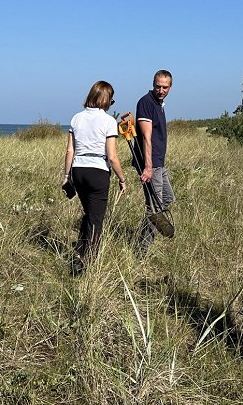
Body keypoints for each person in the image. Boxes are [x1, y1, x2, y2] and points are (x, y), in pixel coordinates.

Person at [63, 80, 127, 275]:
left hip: (78, 170)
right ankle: (87, 264)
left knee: (89, 214)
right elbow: (113, 156)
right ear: (106, 99)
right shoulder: (108, 121)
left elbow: (69, 150)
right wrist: (122, 179)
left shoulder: (76, 118)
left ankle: (78, 253)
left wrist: (66, 176)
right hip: (98, 171)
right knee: (97, 220)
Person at [133, 70, 174, 254]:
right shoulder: (146, 103)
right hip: (151, 164)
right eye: (158, 86)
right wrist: (148, 167)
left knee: (167, 198)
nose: (161, 90)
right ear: (153, 84)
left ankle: (144, 235)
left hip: (159, 162)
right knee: (155, 207)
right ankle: (143, 249)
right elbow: (146, 137)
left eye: (165, 87)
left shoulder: (160, 104)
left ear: (170, 87)